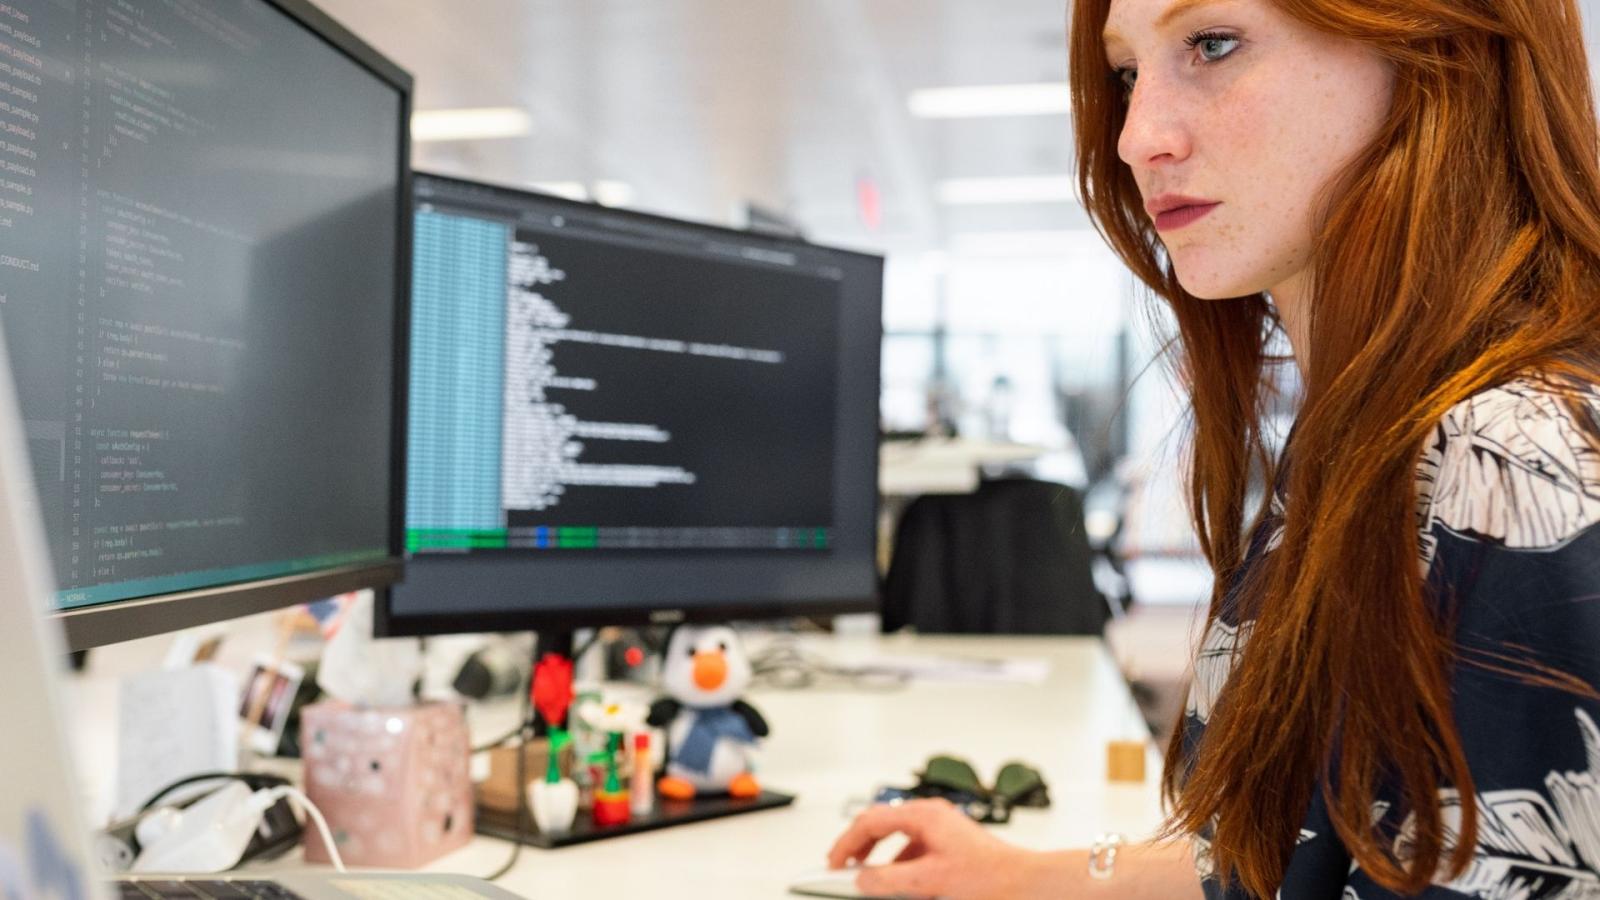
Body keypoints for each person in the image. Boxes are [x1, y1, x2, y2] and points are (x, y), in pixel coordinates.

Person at [826, 0, 1600, 896]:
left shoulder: (1510, 461)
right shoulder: (1376, 433)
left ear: (1438, 48)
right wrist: (1016, 874)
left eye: (1213, 43)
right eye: (1126, 75)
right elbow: (1310, 854)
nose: (1134, 138)